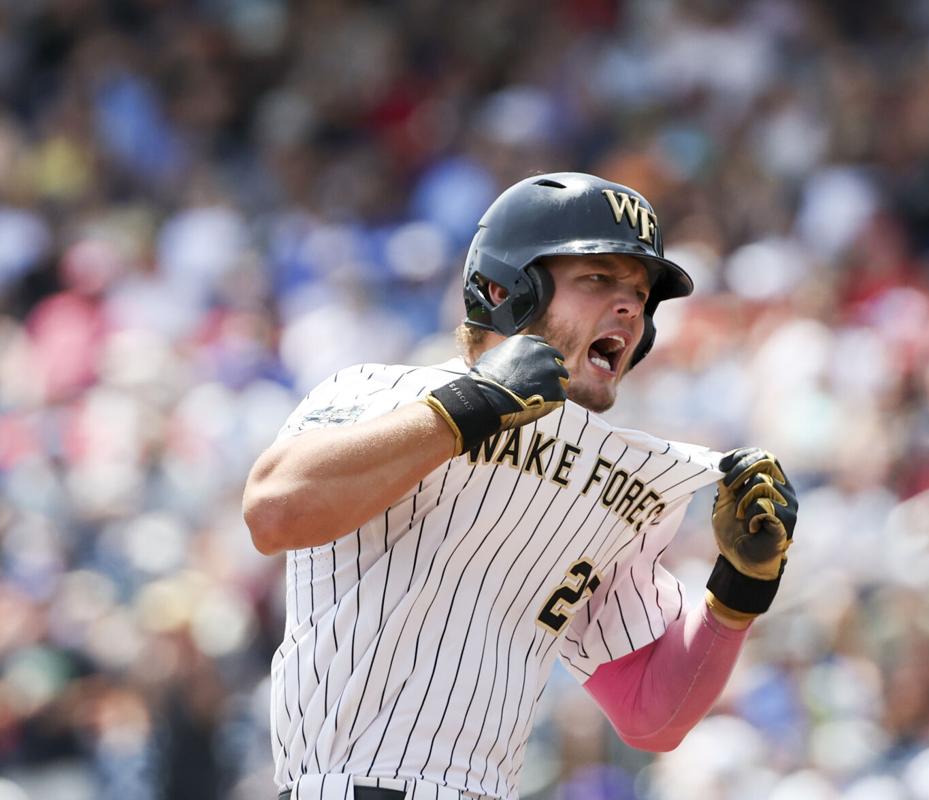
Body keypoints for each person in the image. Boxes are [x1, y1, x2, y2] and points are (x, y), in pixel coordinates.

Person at [243, 172, 798, 800]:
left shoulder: (608, 479)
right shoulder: (379, 394)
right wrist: (466, 407)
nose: (631, 308)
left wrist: (738, 591)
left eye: (641, 294)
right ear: (510, 287)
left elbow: (653, 715)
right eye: (599, 278)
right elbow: (274, 512)